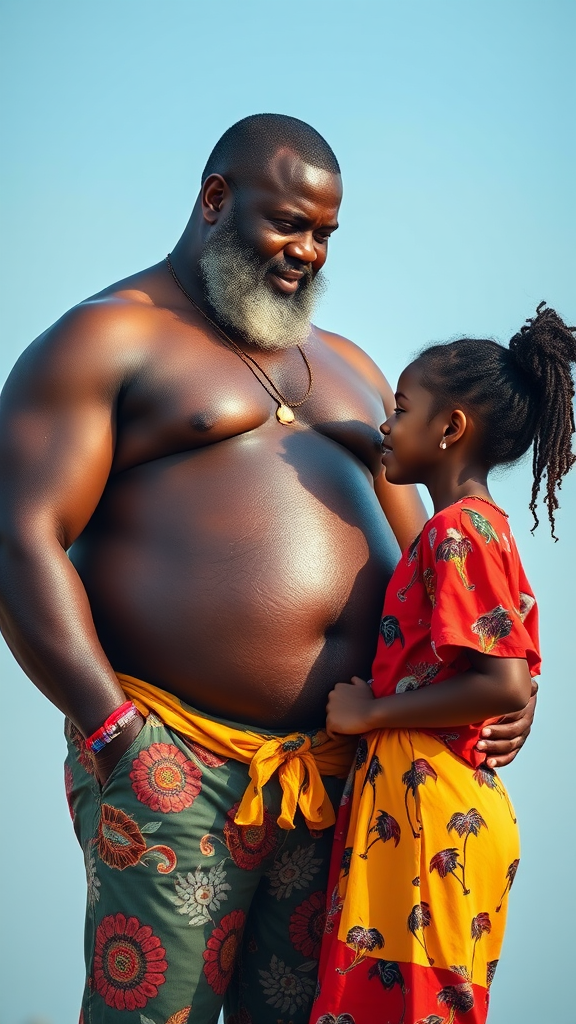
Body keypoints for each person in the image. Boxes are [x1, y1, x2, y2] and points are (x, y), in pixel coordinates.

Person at [0, 114, 535, 1024]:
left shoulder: (358, 374)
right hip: (173, 760)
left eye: (325, 234)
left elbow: (441, 561)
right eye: (290, 223)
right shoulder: (107, 339)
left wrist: (502, 691)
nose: (309, 252)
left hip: (338, 776)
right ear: (216, 200)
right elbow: (19, 534)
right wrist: (114, 734)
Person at [310, 304, 576, 1024]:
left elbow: (503, 681)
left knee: (418, 1006)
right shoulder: (471, 529)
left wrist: (372, 712)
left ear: (451, 428)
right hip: (420, 812)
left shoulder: (459, 534)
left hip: (435, 822)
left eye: (400, 409)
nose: (387, 426)